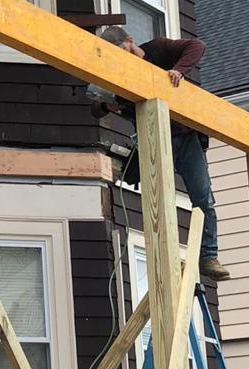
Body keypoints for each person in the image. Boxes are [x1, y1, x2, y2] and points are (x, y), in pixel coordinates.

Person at [93, 24, 229, 281]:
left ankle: (209, 256)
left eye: (124, 52)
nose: (123, 59)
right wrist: (105, 104)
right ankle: (162, 257)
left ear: (131, 41)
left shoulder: (157, 49)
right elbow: (97, 108)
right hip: (155, 139)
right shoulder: (124, 77)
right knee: (159, 202)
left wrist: (178, 70)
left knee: (203, 199)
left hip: (185, 138)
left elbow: (197, 46)